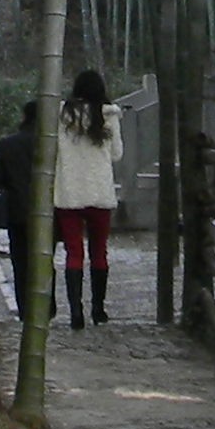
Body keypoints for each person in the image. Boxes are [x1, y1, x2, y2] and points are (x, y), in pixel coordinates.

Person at [54, 68, 123, 327]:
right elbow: (117, 154)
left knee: (73, 252)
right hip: (100, 190)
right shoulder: (109, 116)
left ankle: (75, 312)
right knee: (99, 252)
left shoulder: (62, 115)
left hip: (69, 190)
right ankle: (98, 309)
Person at [0, 100, 45, 322]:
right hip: (47, 211)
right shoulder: (50, 144)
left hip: (17, 210)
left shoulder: (7, 144)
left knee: (20, 261)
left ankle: (25, 308)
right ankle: (46, 305)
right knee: (44, 259)